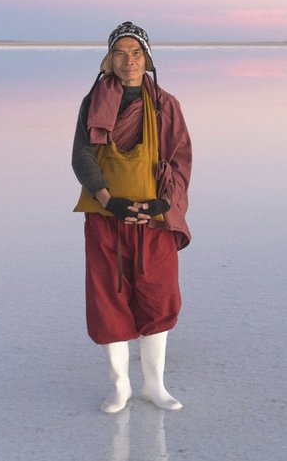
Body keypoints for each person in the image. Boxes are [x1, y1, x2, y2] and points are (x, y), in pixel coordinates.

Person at [72, 21, 192, 412]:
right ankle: (121, 385)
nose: (129, 61)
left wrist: (163, 203)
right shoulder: (93, 103)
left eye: (136, 53)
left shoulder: (165, 105)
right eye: (121, 53)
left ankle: (154, 386)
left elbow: (178, 158)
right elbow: (82, 157)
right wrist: (110, 200)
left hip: (153, 222)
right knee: (109, 298)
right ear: (109, 61)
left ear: (147, 58)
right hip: (106, 218)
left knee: (158, 297)